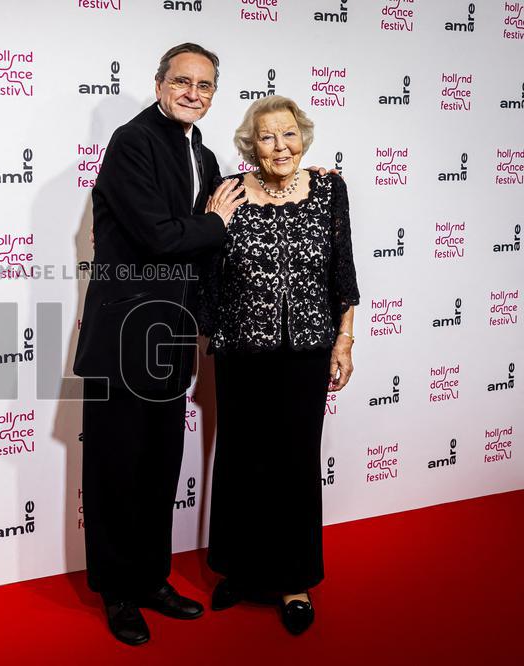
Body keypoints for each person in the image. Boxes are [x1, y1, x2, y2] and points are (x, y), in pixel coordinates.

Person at [73, 42, 245, 646]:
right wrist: (215, 225)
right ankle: (117, 591)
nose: (193, 93)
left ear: (213, 94)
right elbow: (157, 234)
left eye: (205, 85)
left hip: (172, 335)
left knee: (159, 466)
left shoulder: (202, 150)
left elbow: (235, 217)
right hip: (125, 330)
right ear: (159, 82)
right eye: (182, 81)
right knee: (116, 468)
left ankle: (150, 579)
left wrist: (308, 182)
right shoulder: (133, 140)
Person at [200, 95, 360, 635]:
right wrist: (214, 331)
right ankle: (240, 571)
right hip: (243, 350)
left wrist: (345, 340)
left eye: (288, 134)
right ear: (252, 145)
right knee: (242, 459)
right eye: (267, 136)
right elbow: (209, 269)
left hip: (307, 351)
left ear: (304, 137)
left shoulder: (329, 190)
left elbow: (344, 272)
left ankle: (294, 581)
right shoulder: (228, 193)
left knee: (293, 463)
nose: (280, 146)